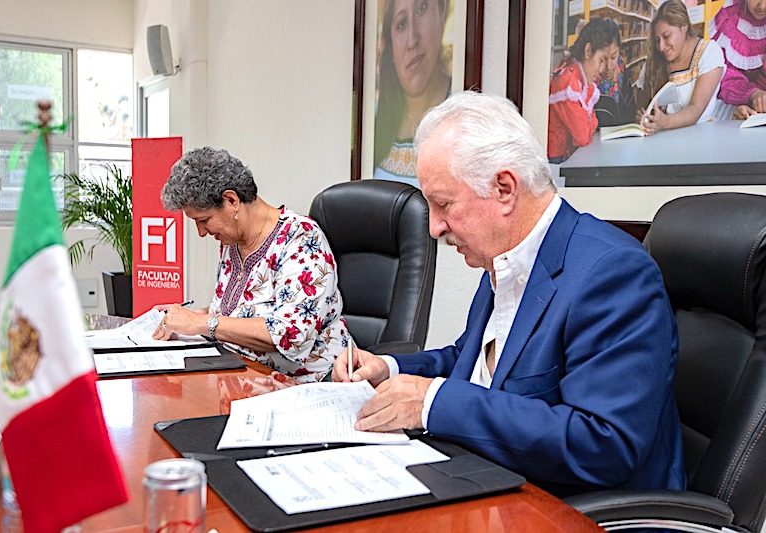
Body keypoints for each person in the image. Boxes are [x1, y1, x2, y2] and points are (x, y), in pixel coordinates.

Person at [333, 91, 686, 498]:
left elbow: (602, 443)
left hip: (568, 511)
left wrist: (431, 402)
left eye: (443, 204)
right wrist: (390, 368)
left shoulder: (613, 273)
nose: (434, 228)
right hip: (489, 483)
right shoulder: (505, 258)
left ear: (504, 188)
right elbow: (472, 359)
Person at [155, 147, 349, 382]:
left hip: (307, 386)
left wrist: (201, 322)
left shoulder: (301, 237)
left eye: (204, 220)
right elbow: (244, 309)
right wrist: (190, 317)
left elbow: (291, 334)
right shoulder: (232, 241)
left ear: (231, 200)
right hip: (245, 378)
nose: (201, 232)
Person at [373, 0, 452, 184]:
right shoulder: (373, 119)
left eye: (422, 9)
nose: (412, 40)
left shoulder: (464, 118)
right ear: (391, 48)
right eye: (401, 24)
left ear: (442, 12)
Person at [635, 0, 725, 134]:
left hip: (700, 139)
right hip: (660, 142)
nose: (661, 47)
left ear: (684, 26)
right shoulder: (654, 59)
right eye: (657, 40)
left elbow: (696, 109)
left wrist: (665, 122)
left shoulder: (709, 53)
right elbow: (642, 103)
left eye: (666, 36)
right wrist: (643, 116)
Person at [548, 17, 620, 162]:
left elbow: (589, 122)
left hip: (564, 155)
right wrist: (590, 121)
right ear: (588, 51)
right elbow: (582, 136)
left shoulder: (578, 77)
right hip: (554, 159)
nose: (602, 69)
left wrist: (589, 121)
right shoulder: (569, 85)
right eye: (601, 60)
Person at [708, 0, 766, 120]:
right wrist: (752, 94)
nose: (762, 6)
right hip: (735, 108)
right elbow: (721, 73)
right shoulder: (728, 17)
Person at [594, 44, 638, 126]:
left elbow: (631, 110)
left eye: (613, 57)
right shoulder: (587, 77)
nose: (609, 67)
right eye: (602, 60)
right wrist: (609, 86)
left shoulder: (620, 65)